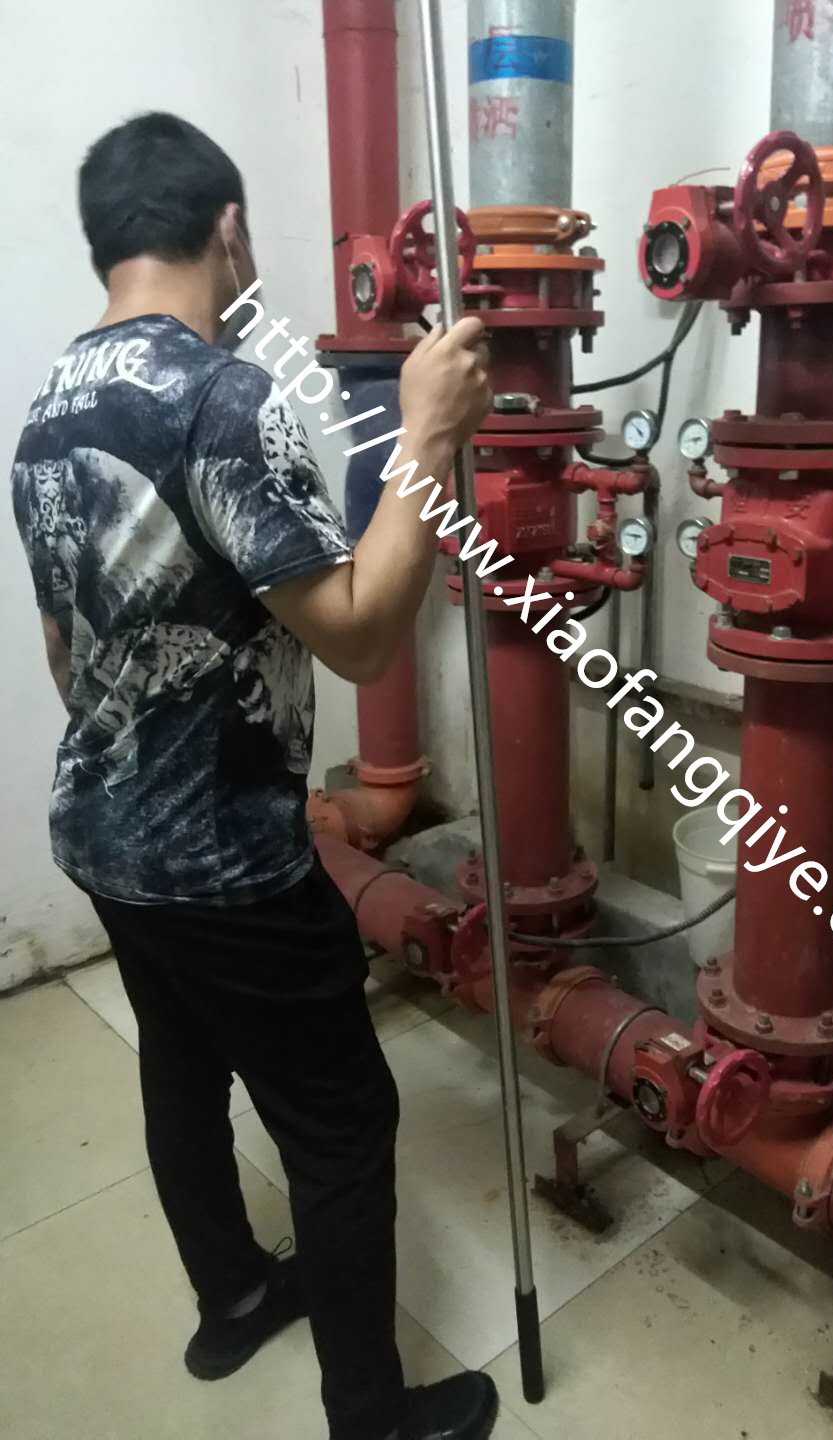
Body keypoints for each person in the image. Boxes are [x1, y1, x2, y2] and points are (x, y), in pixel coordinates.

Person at [10, 112, 497, 1440]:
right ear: (227, 227)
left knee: (182, 1066)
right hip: (227, 863)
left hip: (97, 832)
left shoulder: (45, 414)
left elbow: (64, 649)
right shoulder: (225, 399)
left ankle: (231, 1299)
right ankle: (371, 1416)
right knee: (340, 1121)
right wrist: (426, 436)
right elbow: (362, 633)